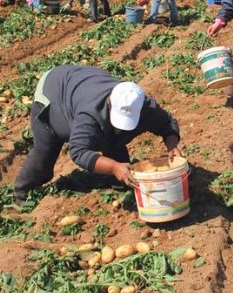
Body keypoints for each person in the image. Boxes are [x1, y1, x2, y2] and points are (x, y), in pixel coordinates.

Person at [13, 65, 182, 203]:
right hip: (52, 93)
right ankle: (22, 192)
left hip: (80, 84)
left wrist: (172, 145)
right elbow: (78, 152)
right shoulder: (90, 114)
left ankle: (116, 179)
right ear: (109, 103)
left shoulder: (144, 107)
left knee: (114, 137)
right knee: (47, 149)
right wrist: (114, 167)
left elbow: (167, 123)